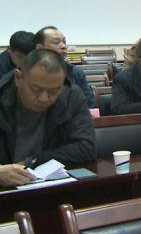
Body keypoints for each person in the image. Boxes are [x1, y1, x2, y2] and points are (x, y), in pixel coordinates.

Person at [0, 49, 95, 186]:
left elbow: (86, 147)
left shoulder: (71, 97)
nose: (44, 98)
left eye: (53, 91)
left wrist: (32, 161)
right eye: (35, 89)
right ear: (18, 78)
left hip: (52, 186)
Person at [34, 26, 96, 108]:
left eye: (64, 42)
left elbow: (90, 104)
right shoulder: (29, 74)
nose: (63, 46)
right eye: (56, 42)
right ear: (40, 48)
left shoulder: (75, 72)